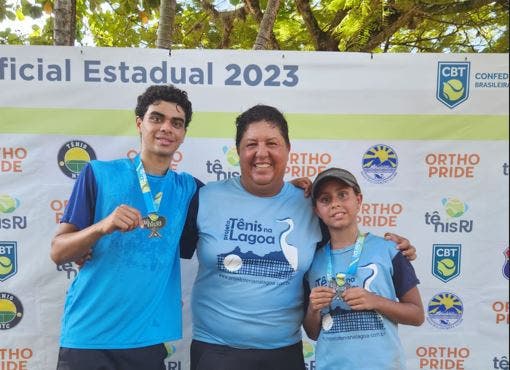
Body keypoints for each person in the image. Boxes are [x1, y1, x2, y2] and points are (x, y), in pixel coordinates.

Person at [179, 105, 417, 370]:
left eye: (272, 143)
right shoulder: (205, 198)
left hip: (283, 354)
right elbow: (165, 248)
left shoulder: (309, 205)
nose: (261, 153)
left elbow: (348, 245)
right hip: (215, 351)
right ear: (238, 151)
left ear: (288, 149)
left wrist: (396, 250)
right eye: (251, 144)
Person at [50, 85, 202, 370]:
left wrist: (285, 191)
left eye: (176, 123)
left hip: (147, 343)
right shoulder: (99, 173)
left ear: (183, 134)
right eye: (157, 118)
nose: (166, 128)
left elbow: (238, 199)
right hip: (89, 339)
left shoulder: (189, 190)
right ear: (139, 123)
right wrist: (101, 227)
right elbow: (58, 252)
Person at [303, 167, 424, 370]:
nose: (335, 204)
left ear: (358, 200)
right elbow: (313, 332)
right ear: (317, 210)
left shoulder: (389, 251)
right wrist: (313, 309)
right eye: (325, 199)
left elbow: (417, 315)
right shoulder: (311, 261)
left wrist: (375, 301)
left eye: (343, 195)